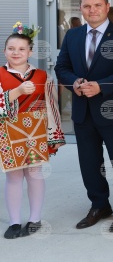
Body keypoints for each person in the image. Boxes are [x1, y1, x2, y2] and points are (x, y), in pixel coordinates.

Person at [54, 0, 113, 232]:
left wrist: (101, 86)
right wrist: (74, 82)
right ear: (81, 8)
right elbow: (61, 67)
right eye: (87, 6)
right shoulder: (73, 35)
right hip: (83, 110)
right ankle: (99, 205)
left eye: (97, 5)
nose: (92, 10)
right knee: (89, 164)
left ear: (107, 6)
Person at [1, 25, 66, 239]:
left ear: (30, 52)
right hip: (9, 131)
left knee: (35, 173)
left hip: (35, 132)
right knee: (13, 176)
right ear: (4, 51)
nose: (16, 52)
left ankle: (35, 218)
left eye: (22, 49)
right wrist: (17, 92)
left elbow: (51, 105)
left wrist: (54, 135)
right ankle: (14, 222)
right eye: (11, 48)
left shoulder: (42, 75)